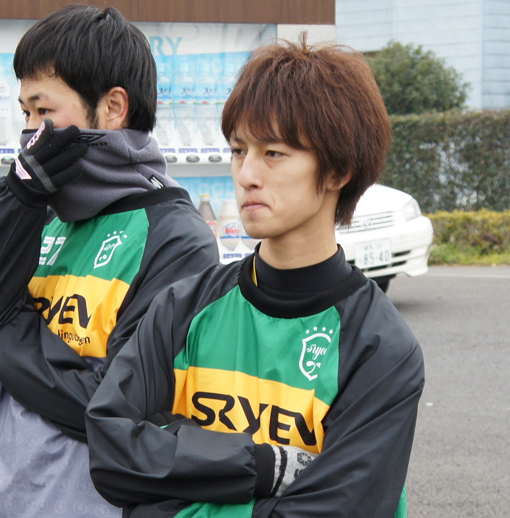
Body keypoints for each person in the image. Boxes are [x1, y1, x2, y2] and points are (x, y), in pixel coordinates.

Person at [85, 36, 425, 518]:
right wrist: (264, 467)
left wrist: (172, 489)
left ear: (338, 171)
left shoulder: (381, 348)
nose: (246, 174)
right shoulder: (182, 307)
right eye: (239, 150)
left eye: (274, 153)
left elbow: (338, 509)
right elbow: (110, 449)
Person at [0, 5, 219, 517]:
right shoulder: (41, 213)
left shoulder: (176, 238)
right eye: (25, 115)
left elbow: (113, 409)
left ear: (113, 108)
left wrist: (6, 332)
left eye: (44, 111)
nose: (32, 133)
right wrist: (18, 199)